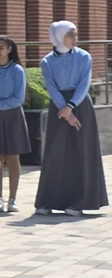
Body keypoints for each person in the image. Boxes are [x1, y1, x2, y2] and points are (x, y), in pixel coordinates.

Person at [35, 21, 109, 216]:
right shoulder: (47, 61)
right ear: (59, 37)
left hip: (80, 105)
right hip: (58, 106)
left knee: (82, 151)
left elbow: (84, 84)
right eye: (70, 35)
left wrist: (70, 106)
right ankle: (47, 201)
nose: (75, 39)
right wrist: (64, 109)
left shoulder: (84, 56)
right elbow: (51, 87)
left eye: (75, 34)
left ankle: (79, 202)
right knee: (55, 152)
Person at [0, 36, 31, 213]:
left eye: (1, 48)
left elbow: (18, 98)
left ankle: (13, 198)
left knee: (12, 158)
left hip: (12, 116)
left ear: (9, 49)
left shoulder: (17, 70)